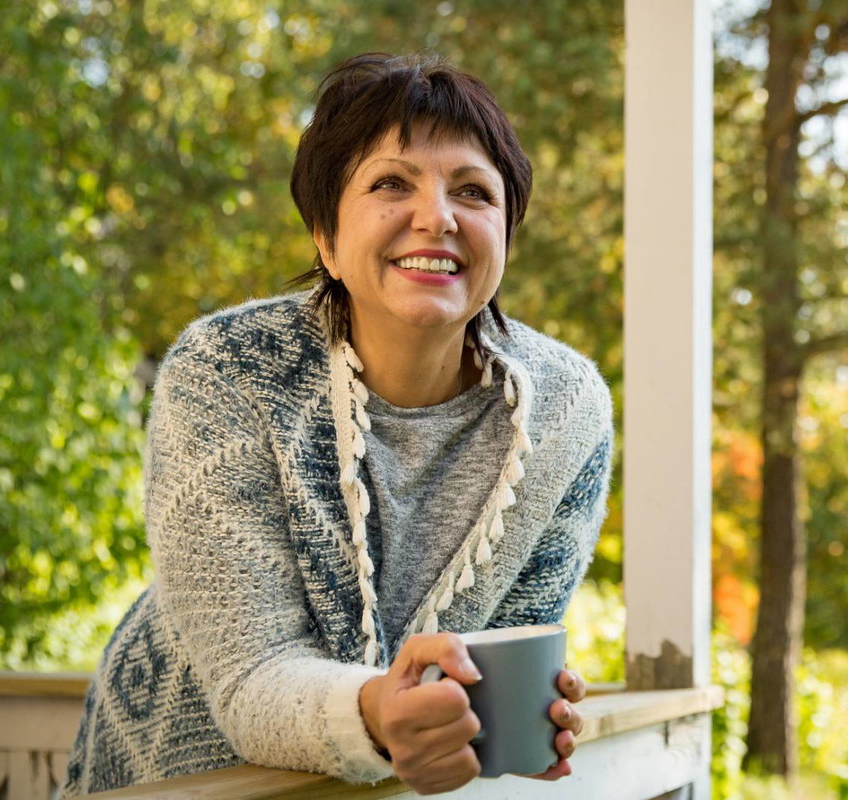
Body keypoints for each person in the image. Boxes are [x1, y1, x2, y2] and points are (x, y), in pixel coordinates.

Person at [61, 52, 613, 797]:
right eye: (391, 183)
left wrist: (515, 718)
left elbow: (512, 647)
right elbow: (251, 674)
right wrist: (377, 709)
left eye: (473, 192)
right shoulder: (226, 368)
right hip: (183, 775)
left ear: (505, 236)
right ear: (325, 236)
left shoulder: (566, 407)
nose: (437, 217)